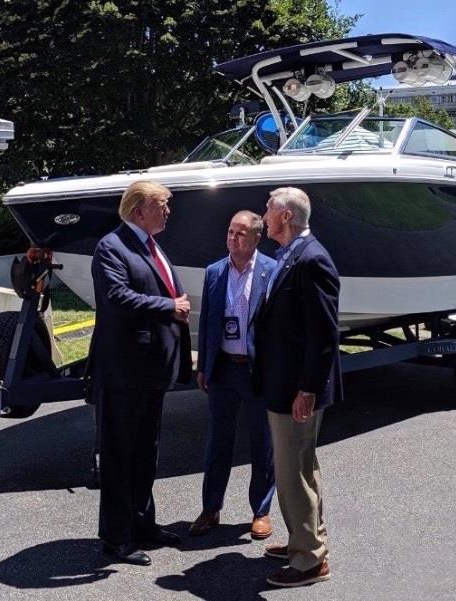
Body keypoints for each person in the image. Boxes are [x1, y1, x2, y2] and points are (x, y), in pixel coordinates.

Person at [90, 180, 192, 566]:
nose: (168, 210)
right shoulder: (111, 248)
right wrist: (169, 305)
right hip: (124, 372)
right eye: (162, 204)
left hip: (150, 372)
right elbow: (117, 297)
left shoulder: (150, 244)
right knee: (119, 455)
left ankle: (143, 525)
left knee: (146, 453)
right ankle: (116, 538)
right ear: (138, 211)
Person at [254, 186, 342, 588]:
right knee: (300, 469)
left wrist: (308, 389)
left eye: (268, 209)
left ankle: (308, 561)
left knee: (293, 473)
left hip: (296, 390)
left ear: (285, 216)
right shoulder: (288, 256)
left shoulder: (312, 260)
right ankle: (305, 541)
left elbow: (323, 333)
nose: (263, 216)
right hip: (283, 384)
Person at [189, 211, 277, 539]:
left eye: (241, 234)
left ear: (256, 238)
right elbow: (208, 321)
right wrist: (204, 367)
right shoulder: (214, 272)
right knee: (217, 442)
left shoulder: (272, 271)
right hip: (224, 369)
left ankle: (261, 511)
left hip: (257, 372)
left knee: (262, 443)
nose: (233, 238)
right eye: (230, 232)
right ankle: (210, 509)